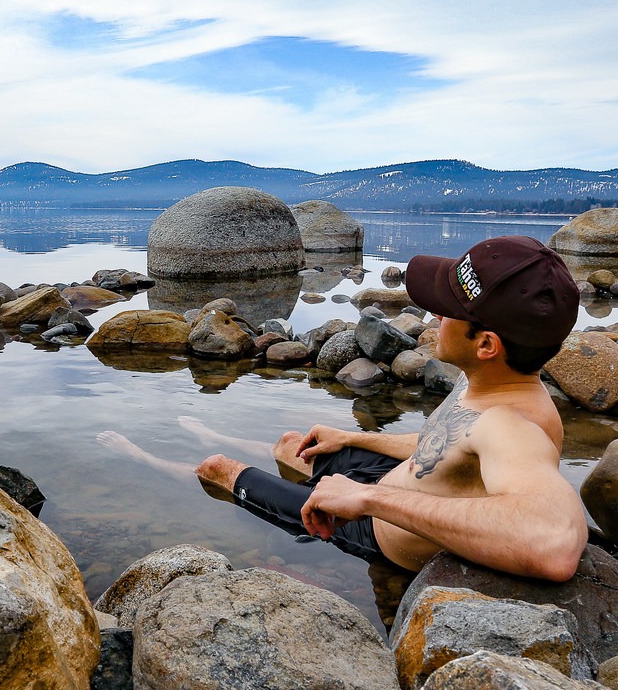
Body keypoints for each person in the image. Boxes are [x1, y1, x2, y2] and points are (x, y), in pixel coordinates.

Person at [190, 235, 589, 581]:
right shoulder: (486, 378)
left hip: (373, 530)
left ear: (486, 345)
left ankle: (136, 454)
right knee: (295, 444)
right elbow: (445, 443)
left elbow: (554, 543)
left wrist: (369, 500)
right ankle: (211, 433)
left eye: (447, 309)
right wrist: (352, 437)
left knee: (218, 468)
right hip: (396, 483)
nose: (435, 315)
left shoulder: (510, 425)